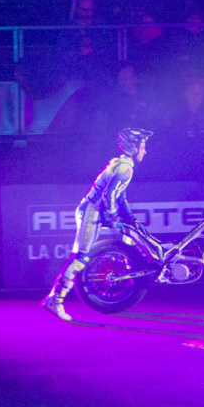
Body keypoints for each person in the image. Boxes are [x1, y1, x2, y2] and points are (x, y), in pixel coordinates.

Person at [41, 127, 153, 322]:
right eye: (142, 147)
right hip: (91, 212)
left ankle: (54, 299)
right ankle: (54, 299)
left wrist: (130, 218)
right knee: (81, 258)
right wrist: (113, 217)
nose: (145, 151)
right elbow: (108, 195)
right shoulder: (125, 169)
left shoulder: (121, 164)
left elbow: (120, 196)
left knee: (82, 257)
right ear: (133, 148)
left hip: (92, 211)